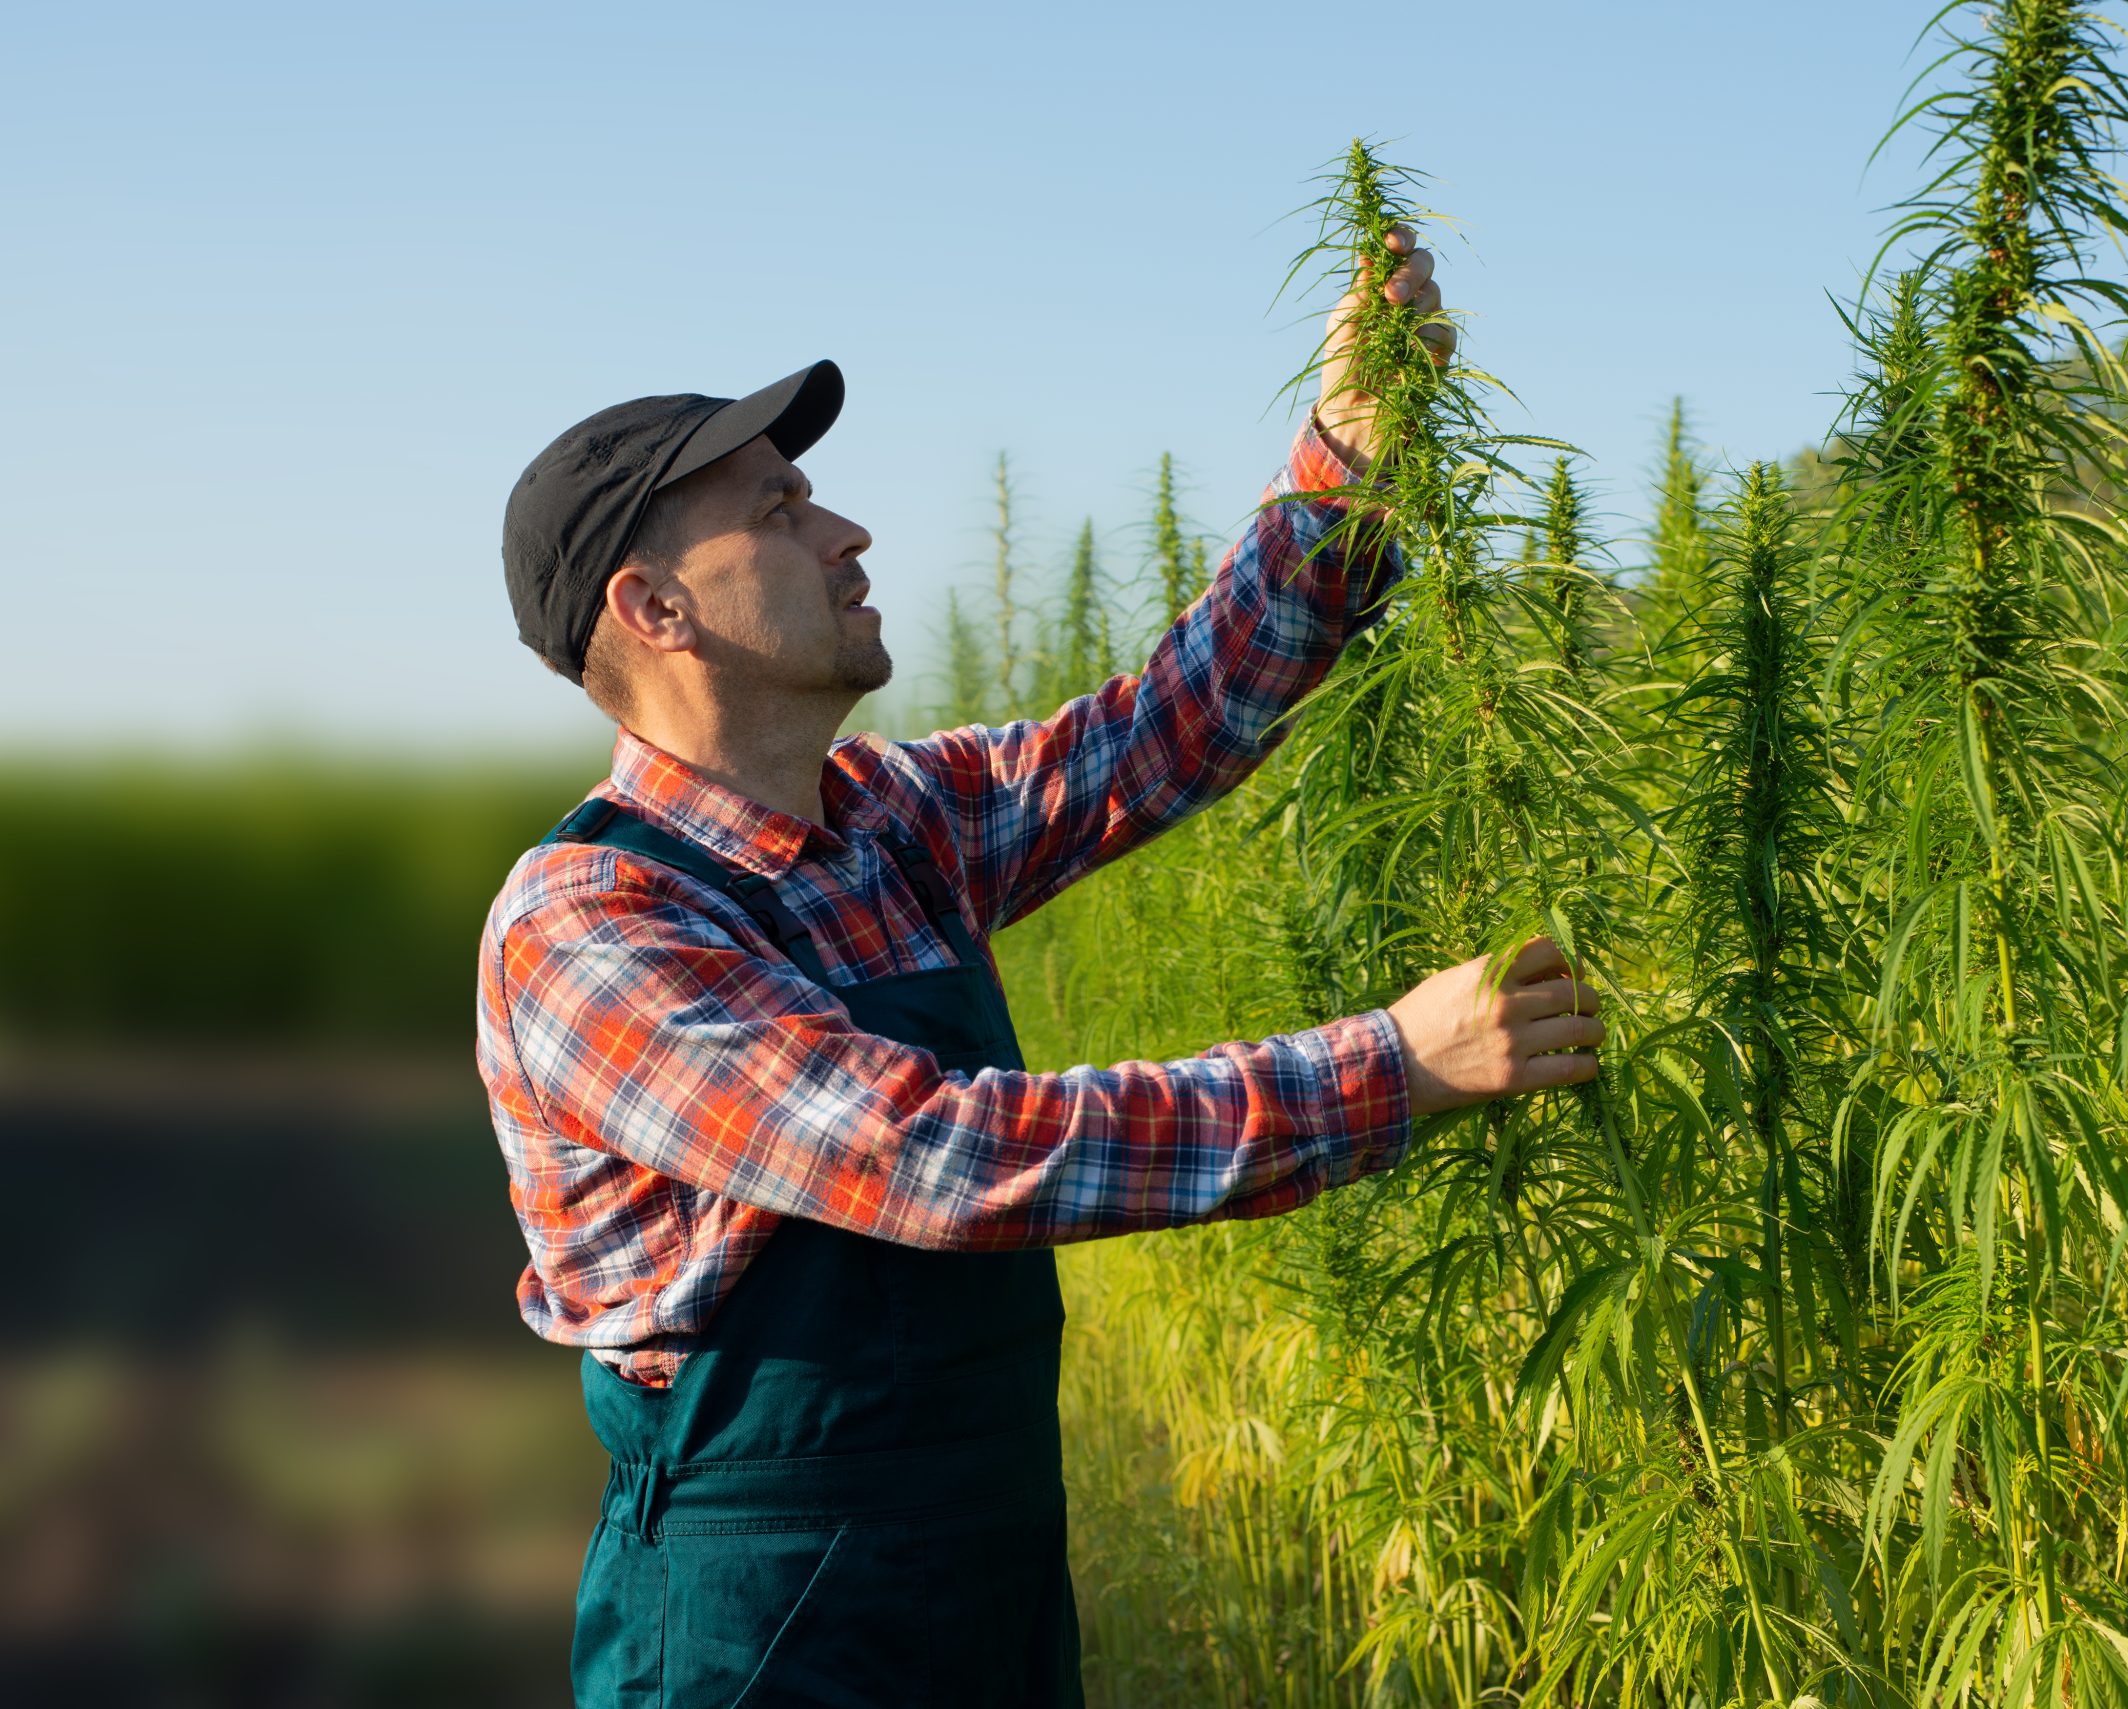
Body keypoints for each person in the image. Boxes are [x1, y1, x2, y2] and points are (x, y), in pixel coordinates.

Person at [476, 227, 1603, 1708]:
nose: (846, 535)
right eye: (780, 510)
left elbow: (1158, 734)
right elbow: (933, 1157)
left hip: (981, 1583)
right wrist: (1389, 1070)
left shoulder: (888, 817)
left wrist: (1348, 458)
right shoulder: (590, 926)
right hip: (760, 1629)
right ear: (654, 610)